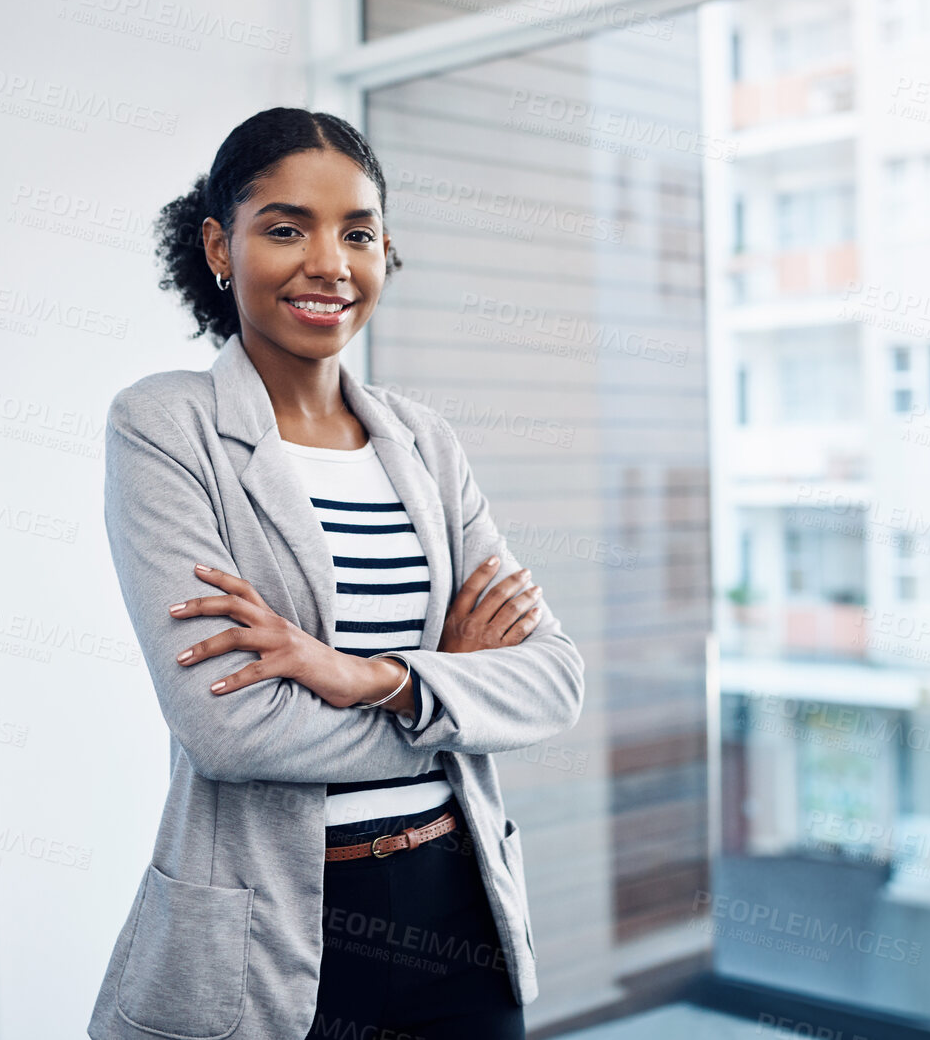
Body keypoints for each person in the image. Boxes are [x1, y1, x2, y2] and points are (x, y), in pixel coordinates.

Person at [86, 107, 585, 1040]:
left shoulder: (424, 443)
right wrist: (448, 699)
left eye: (357, 232)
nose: (329, 262)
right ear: (219, 246)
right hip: (273, 923)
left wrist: (371, 679)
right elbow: (229, 731)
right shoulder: (164, 426)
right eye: (285, 228)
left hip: (457, 910)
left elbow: (554, 683)